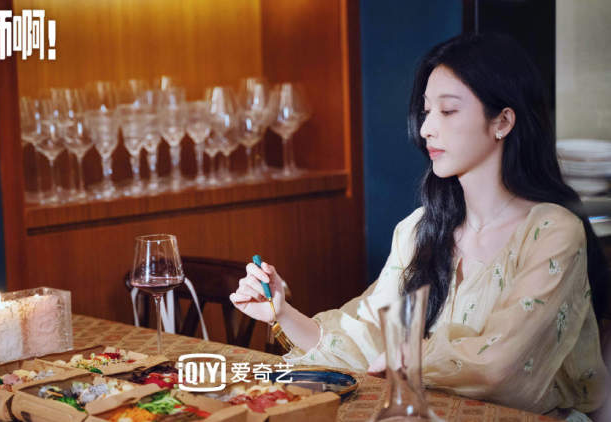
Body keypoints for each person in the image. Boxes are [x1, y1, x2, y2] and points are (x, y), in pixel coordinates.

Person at [229, 33, 608, 418]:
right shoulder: (419, 230)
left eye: (448, 111)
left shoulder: (551, 232)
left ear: (503, 121)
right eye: (426, 111)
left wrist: (407, 357)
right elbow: (365, 339)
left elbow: (500, 365)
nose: (427, 128)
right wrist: (282, 312)